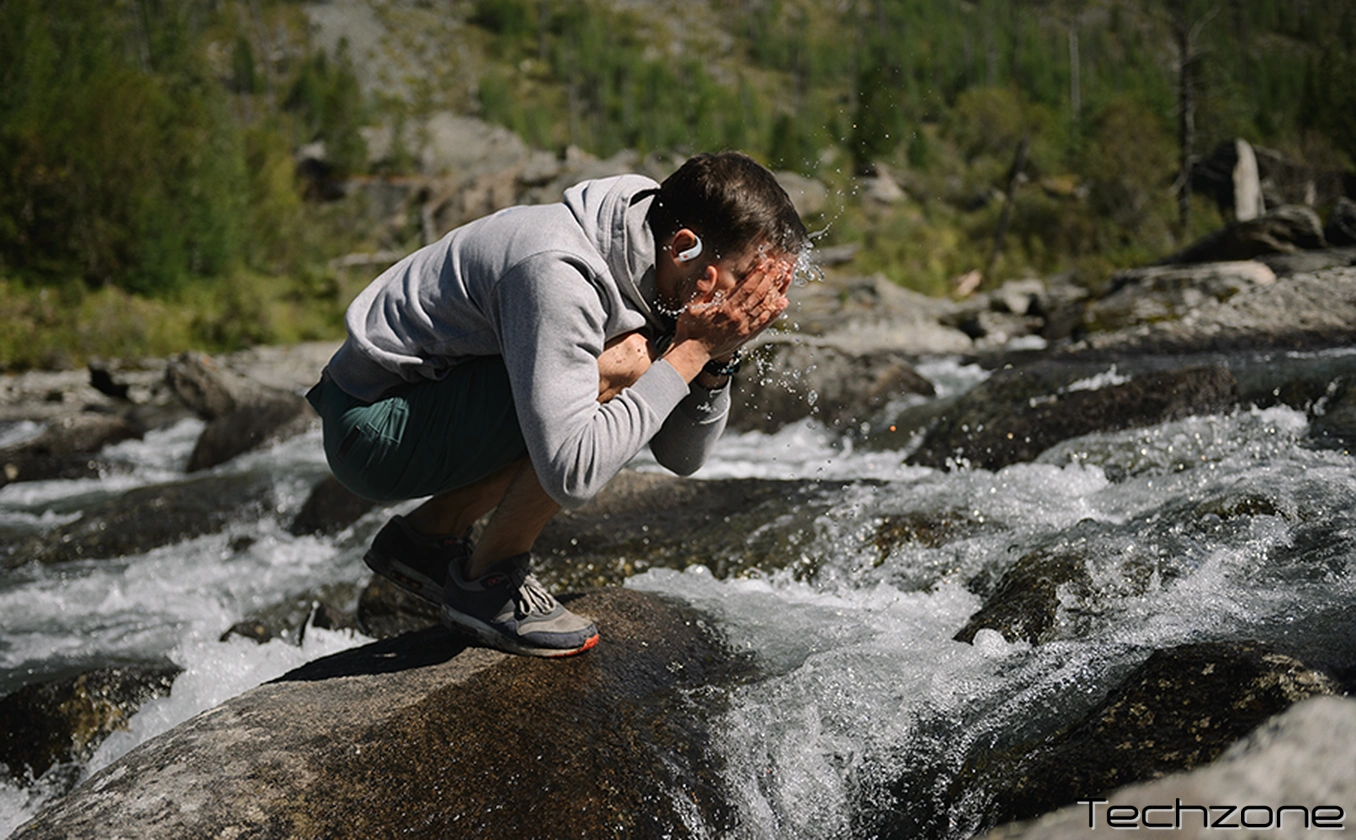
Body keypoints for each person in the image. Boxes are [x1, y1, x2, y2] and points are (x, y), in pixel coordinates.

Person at [306, 151, 808, 657]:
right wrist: (691, 350)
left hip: (432, 400)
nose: (748, 306)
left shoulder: (659, 263)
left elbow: (681, 457)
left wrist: (717, 356)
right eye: (745, 283)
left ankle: (426, 540)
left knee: (639, 363)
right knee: (631, 360)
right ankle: (489, 583)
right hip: (374, 423)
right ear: (684, 246)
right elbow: (571, 471)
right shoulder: (559, 270)